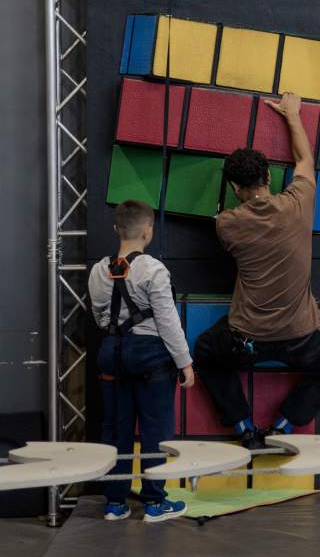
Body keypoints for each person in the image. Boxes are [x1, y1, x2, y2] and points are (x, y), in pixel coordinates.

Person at [195, 93, 320, 449]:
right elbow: (304, 159)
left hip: (245, 341)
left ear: (235, 189)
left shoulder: (226, 224)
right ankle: (284, 425)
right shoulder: (298, 204)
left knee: (205, 352)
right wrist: (292, 115)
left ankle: (243, 428)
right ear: (269, 175)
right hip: (302, 339)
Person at [88, 200, 195, 523]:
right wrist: (185, 363)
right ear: (148, 232)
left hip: (112, 355)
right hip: (151, 358)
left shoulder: (97, 270)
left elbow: (98, 317)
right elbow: (167, 321)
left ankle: (115, 503)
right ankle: (153, 503)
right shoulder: (153, 269)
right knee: (155, 430)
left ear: (116, 229)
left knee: (115, 429)